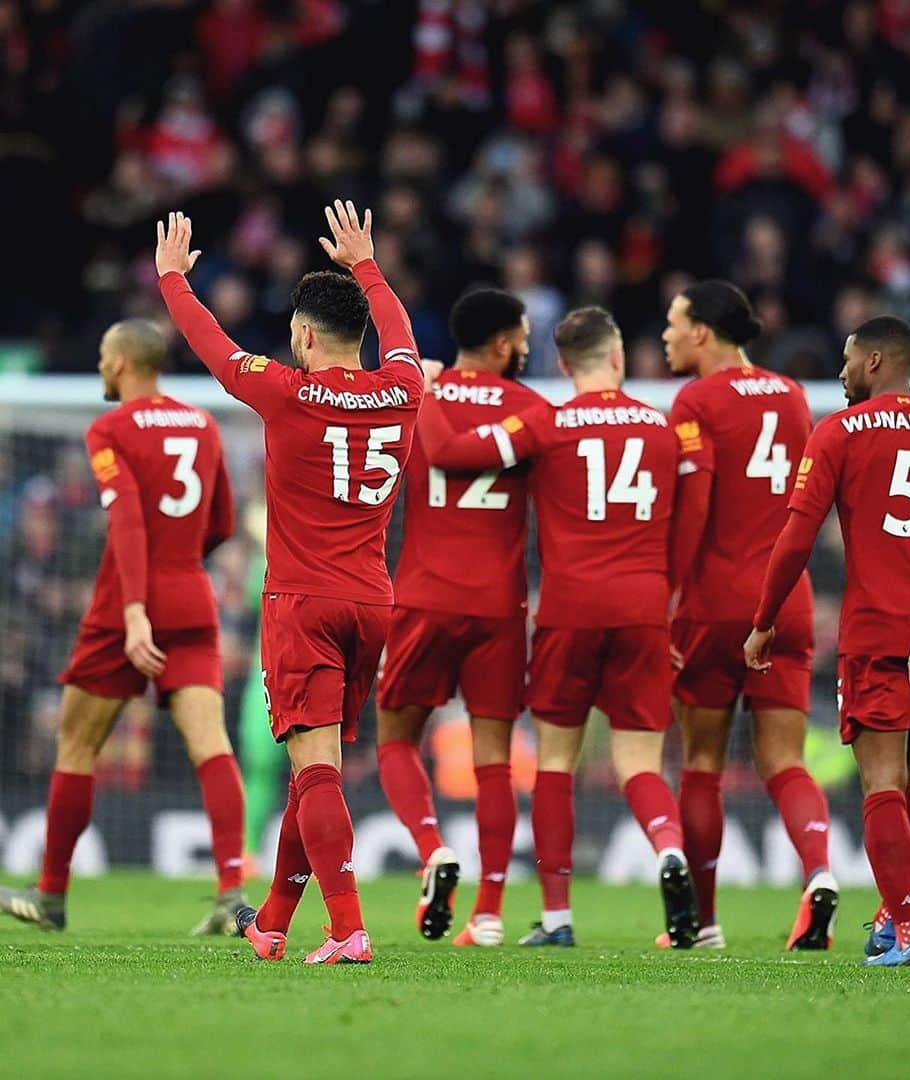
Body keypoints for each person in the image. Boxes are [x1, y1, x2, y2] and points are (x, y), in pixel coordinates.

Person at [156, 203, 423, 966]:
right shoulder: (403, 391)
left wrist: (173, 280)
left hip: (303, 602)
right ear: (361, 336)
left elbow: (213, 348)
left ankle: (347, 930)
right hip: (374, 601)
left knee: (316, 770)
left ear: (305, 335)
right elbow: (401, 338)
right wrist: (368, 265)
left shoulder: (287, 391)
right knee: (317, 773)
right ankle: (272, 921)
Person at [418, 306, 699, 948]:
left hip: (570, 608)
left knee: (554, 763)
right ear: (619, 357)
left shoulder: (548, 426)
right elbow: (686, 524)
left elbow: (460, 456)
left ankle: (557, 917)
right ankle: (667, 849)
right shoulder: (659, 430)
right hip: (644, 607)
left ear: (563, 364)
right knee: (639, 763)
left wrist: (432, 391)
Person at [0, 319, 246, 935]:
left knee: (78, 746)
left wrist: (136, 608)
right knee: (211, 745)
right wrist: (182, 567)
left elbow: (129, 522)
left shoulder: (109, 428)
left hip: (123, 607)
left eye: (106, 358)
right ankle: (231, 891)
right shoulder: (203, 423)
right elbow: (221, 523)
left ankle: (51, 894)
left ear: (122, 362)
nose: (103, 368)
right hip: (192, 596)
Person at [746, 316, 910, 968]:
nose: (840, 373)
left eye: (846, 361)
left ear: (872, 362)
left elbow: (795, 537)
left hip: (879, 625)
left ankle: (906, 929)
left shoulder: (837, 430)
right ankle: (894, 913)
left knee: (882, 782)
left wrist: (763, 620)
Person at [663, 280, 835, 951]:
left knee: (702, 762)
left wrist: (673, 597)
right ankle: (819, 873)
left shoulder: (696, 400)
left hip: (716, 601)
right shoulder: (792, 395)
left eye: (676, 324)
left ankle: (702, 925)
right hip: (786, 598)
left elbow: (697, 508)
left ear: (704, 331)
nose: (669, 335)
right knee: (786, 762)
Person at [376, 288, 547, 948]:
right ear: (503, 342)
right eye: (524, 335)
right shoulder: (534, 408)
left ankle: (431, 850)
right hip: (500, 603)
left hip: (423, 594)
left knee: (394, 739)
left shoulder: (421, 395)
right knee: (495, 763)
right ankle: (491, 912)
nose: (528, 346)